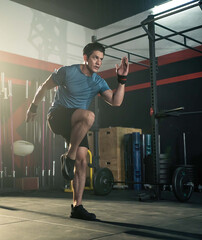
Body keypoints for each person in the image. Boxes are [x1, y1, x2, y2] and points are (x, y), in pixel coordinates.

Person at [26, 42, 129, 221]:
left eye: (101, 59)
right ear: (85, 58)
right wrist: (33, 108)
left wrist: (121, 79)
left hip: (76, 124)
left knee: (83, 160)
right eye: (95, 57)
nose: (98, 62)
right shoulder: (67, 72)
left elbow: (116, 101)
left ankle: (77, 207)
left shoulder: (98, 81)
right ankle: (69, 157)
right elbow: (43, 87)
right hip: (57, 116)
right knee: (89, 117)